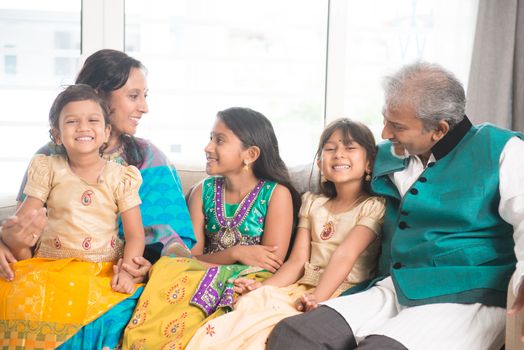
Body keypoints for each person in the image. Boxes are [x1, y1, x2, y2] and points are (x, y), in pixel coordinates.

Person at [265, 62, 524, 350]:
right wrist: (259, 171)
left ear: (439, 129)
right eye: (385, 119)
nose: (385, 132)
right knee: (293, 336)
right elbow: (324, 168)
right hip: (396, 285)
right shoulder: (390, 154)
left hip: (467, 295)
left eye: (397, 126)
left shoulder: (503, 151)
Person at [0, 49, 195, 348]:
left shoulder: (147, 159)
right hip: (53, 265)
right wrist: (6, 240)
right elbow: (26, 223)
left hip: (118, 271)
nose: (144, 107)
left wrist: (141, 266)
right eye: (134, 96)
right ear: (100, 95)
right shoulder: (49, 157)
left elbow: (173, 240)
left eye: (144, 95)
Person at [186, 118, 386, 349]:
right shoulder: (313, 203)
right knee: (249, 306)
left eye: (350, 148)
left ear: (369, 163)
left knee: (279, 327)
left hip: (344, 290)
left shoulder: (373, 207)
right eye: (330, 149)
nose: (339, 154)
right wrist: (265, 287)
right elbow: (297, 261)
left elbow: (345, 255)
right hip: (302, 287)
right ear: (320, 162)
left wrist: (318, 298)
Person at [122, 107, 301, 350]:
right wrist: (236, 253)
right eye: (210, 138)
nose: (208, 148)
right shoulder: (201, 191)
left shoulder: (276, 194)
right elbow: (193, 257)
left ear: (250, 154)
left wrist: (235, 266)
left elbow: (270, 261)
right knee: (168, 265)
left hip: (251, 279)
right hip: (203, 269)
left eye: (219, 140)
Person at [0, 84, 146, 348]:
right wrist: (10, 234)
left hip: (100, 270)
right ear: (56, 134)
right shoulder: (48, 169)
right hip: (50, 266)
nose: (83, 127)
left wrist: (126, 271)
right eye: (71, 121)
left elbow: (136, 234)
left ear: (106, 132)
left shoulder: (120, 177)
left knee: (115, 311)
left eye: (92, 120)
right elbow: (25, 218)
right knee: (19, 299)